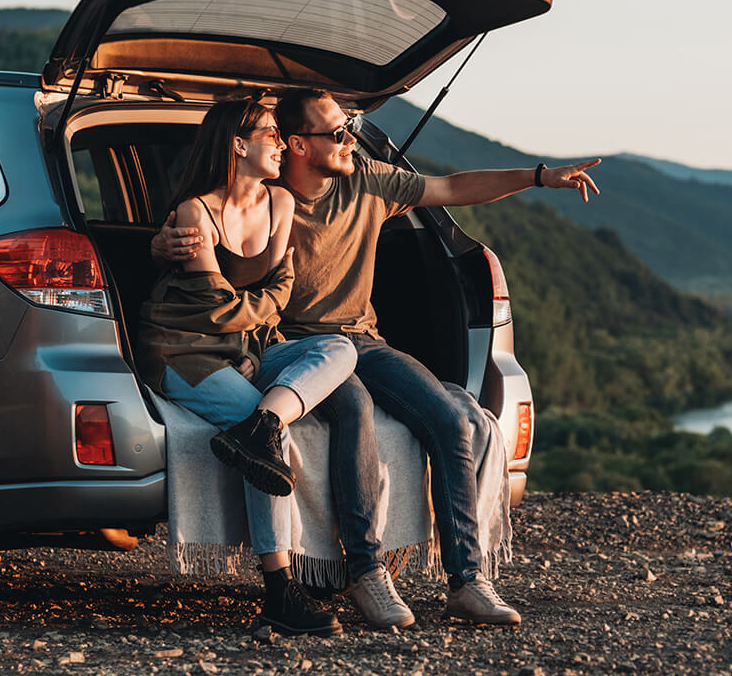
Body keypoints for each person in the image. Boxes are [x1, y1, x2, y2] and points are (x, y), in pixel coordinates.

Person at [152, 88, 601, 627]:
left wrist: (539, 176)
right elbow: (216, 237)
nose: (349, 140)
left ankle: (467, 579)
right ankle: (367, 573)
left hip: (361, 339)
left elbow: (452, 187)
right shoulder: (265, 191)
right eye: (335, 132)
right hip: (292, 345)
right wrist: (162, 243)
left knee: (453, 417)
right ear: (295, 144)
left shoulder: (364, 180)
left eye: (348, 129)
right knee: (355, 410)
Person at [138, 99, 358, 637]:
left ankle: (262, 424)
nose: (283, 143)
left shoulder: (281, 202)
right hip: (182, 349)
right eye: (272, 134)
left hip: (246, 348)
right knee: (274, 450)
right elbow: (216, 306)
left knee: (339, 350)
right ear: (238, 143)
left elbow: (280, 294)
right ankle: (281, 592)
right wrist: (253, 324)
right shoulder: (195, 212)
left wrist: (254, 352)